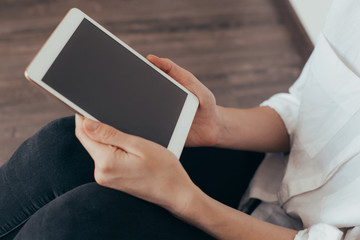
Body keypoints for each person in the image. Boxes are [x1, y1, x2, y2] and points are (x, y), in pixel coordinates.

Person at [1, 0, 360, 239]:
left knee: (72, 225)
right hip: (272, 182)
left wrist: (183, 198)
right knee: (61, 148)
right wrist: (219, 126)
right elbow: (309, 107)